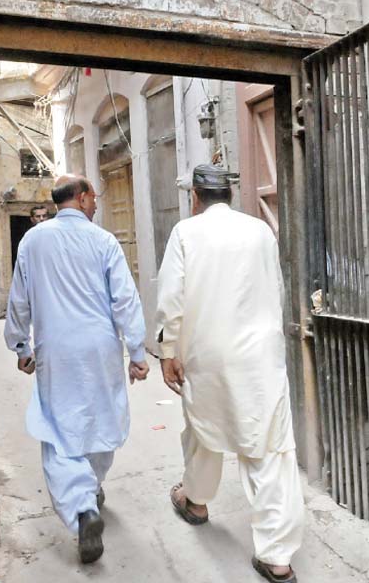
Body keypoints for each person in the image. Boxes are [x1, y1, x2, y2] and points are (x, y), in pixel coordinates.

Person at [155, 164, 304, 583]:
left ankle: (196, 502)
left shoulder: (186, 233)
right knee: (270, 449)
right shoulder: (260, 232)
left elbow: (171, 297)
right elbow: (274, 287)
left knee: (202, 430)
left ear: (196, 197)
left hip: (209, 354)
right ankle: (277, 558)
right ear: (230, 197)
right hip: (260, 357)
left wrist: (168, 350)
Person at [5, 174, 149, 564]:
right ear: (83, 198)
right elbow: (125, 299)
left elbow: (19, 299)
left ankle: (83, 504)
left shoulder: (32, 241)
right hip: (100, 347)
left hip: (57, 350)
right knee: (101, 419)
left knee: (59, 428)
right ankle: (92, 487)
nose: (97, 204)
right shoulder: (103, 241)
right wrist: (137, 351)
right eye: (95, 198)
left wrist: (20, 344)